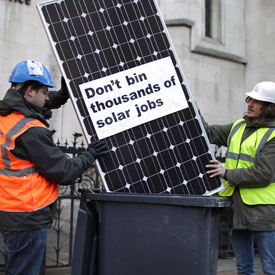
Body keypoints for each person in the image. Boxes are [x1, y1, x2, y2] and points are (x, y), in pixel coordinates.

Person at [0, 60, 107, 275]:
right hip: (27, 213)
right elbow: (64, 171)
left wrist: (64, 94)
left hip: (11, 208)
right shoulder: (30, 130)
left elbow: (40, 104)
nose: (48, 98)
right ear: (30, 90)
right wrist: (90, 154)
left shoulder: (7, 113)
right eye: (45, 92)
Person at [203, 81, 275, 275]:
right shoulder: (237, 126)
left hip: (264, 212)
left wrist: (226, 172)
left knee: (270, 268)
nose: (250, 103)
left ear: (268, 107)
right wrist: (189, 105)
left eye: (256, 101)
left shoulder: (273, 135)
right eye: (249, 99)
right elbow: (208, 132)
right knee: (243, 269)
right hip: (237, 210)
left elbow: (264, 174)